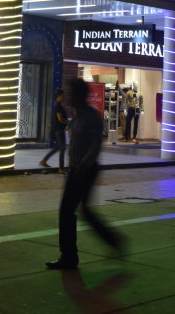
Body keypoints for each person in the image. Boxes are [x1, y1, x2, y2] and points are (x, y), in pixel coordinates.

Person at [46, 78, 124, 270]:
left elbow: (95, 145)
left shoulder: (91, 117)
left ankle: (70, 256)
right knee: (82, 212)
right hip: (76, 169)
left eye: (70, 92)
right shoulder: (78, 115)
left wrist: (82, 165)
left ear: (79, 95)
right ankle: (112, 241)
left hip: (85, 170)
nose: (67, 96)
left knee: (68, 212)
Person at [40, 90, 69, 171]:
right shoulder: (58, 106)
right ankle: (61, 168)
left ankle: (44, 160)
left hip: (57, 129)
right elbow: (60, 119)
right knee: (62, 148)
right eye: (63, 95)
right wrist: (68, 123)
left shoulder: (56, 105)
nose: (64, 97)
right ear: (59, 96)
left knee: (59, 147)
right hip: (59, 129)